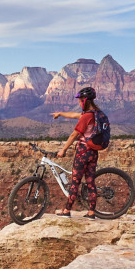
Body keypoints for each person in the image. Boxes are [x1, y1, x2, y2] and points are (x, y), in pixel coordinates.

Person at [51, 86, 104, 217]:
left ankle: (67, 210)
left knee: (75, 182)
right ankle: (91, 211)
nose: (79, 102)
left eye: (80, 100)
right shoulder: (96, 114)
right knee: (90, 181)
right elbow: (74, 115)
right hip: (93, 152)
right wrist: (60, 113)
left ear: (85, 100)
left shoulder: (86, 116)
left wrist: (63, 150)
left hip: (83, 153)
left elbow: (74, 135)